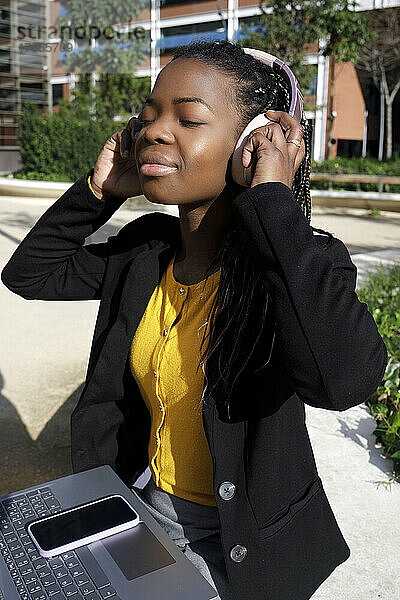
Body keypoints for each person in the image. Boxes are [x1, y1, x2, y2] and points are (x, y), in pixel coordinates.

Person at [1, 40, 387, 600]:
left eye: (188, 118)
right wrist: (97, 192)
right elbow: (29, 275)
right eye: (150, 115)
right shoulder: (145, 254)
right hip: (136, 506)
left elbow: (344, 380)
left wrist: (272, 197)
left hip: (238, 544)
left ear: (256, 139)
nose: (155, 131)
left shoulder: (298, 263)